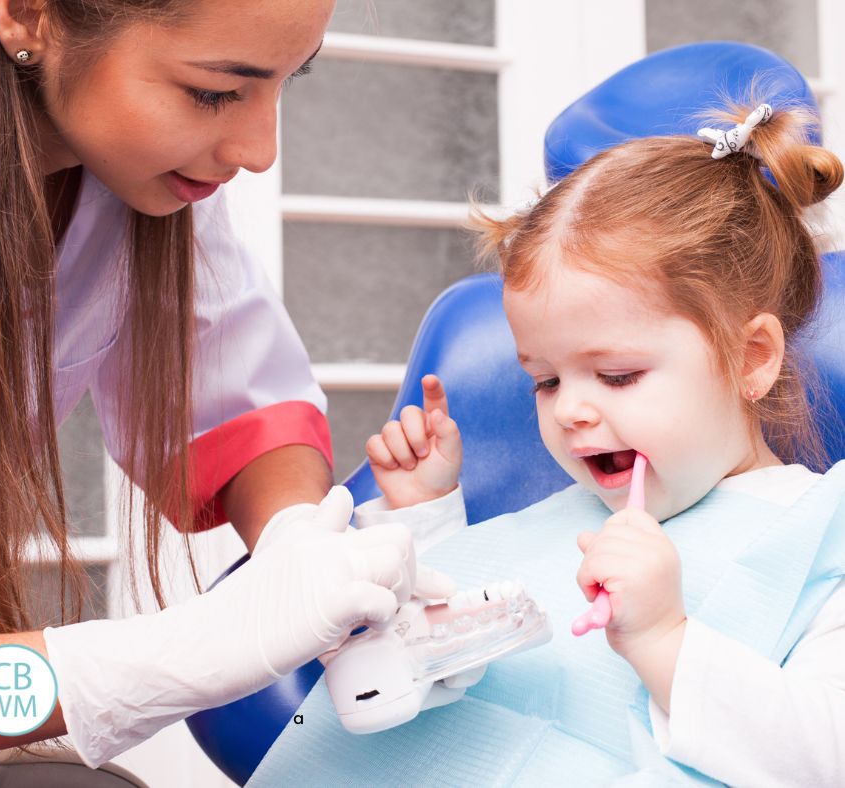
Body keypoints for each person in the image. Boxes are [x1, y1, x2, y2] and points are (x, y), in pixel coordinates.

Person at [0, 0, 456, 779]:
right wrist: (160, 665)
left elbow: (245, 397)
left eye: (283, 84)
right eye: (213, 92)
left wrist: (304, 547)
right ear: (27, 14)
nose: (260, 152)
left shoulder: (132, 173)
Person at [250, 98, 845, 786]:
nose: (569, 411)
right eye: (544, 381)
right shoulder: (564, 518)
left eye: (617, 375)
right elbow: (458, 659)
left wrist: (664, 639)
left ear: (751, 358)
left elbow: (825, 757)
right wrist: (427, 519)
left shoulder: (822, 538)